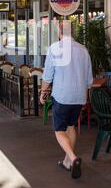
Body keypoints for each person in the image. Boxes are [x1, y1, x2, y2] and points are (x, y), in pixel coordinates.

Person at [40, 24, 93, 179]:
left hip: (62, 96)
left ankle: (73, 157)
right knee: (71, 126)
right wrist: (85, 96)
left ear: (60, 33)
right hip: (79, 97)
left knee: (59, 130)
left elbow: (48, 75)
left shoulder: (55, 48)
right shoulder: (83, 50)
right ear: (74, 32)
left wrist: (43, 92)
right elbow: (89, 79)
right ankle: (67, 161)